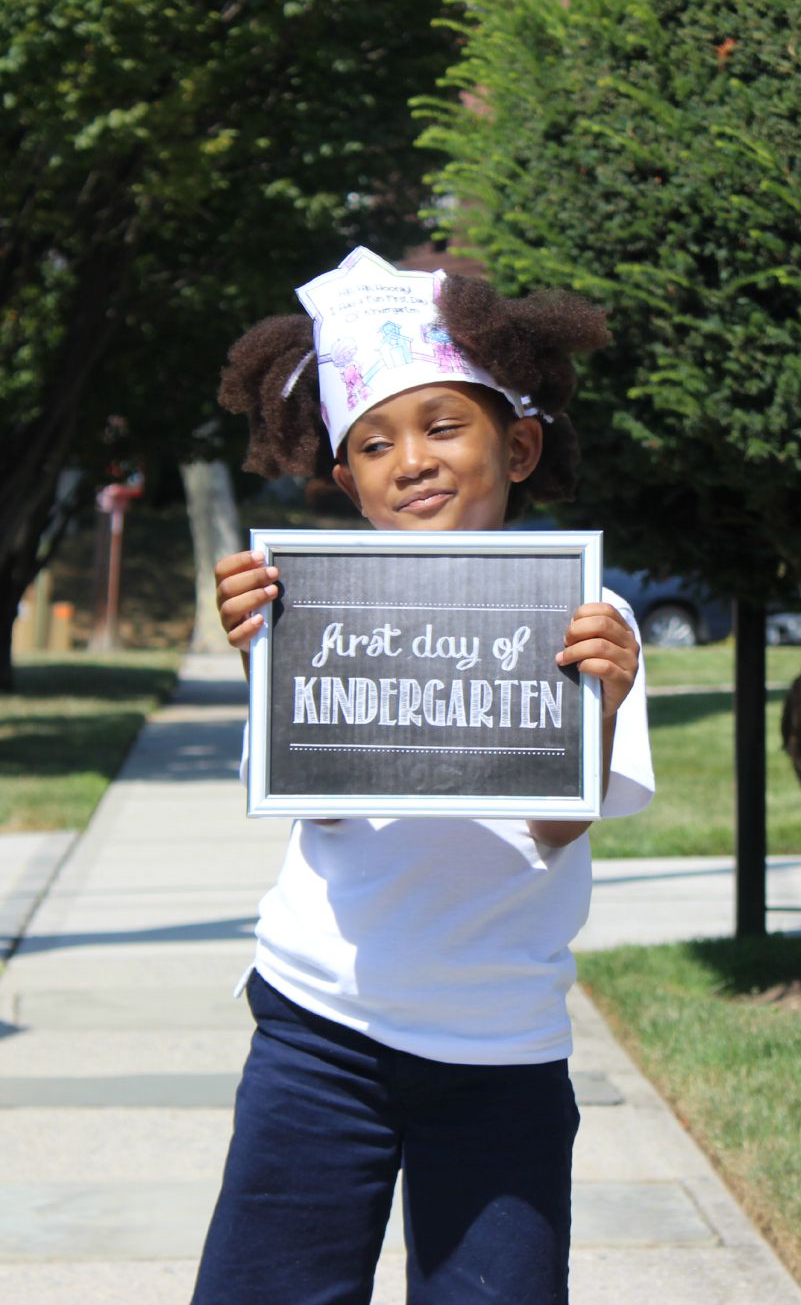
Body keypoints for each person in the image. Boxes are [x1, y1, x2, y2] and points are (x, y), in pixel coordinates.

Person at [190, 246, 651, 1305]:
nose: (413, 460)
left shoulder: (591, 622)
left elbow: (554, 832)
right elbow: (331, 799)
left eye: (444, 426)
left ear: (519, 444)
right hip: (318, 1030)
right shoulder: (306, 606)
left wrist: (599, 707)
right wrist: (266, 659)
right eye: (375, 443)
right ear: (344, 477)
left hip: (498, 1047)